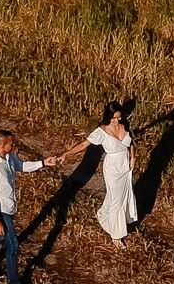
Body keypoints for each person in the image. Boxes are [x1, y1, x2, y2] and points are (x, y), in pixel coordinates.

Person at [0, 129, 60, 284]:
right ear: (2, 145)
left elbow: (22, 166)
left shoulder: (9, 157)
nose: (13, 145)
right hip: (1, 211)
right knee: (13, 245)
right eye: (11, 143)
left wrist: (43, 163)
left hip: (9, 208)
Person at [56, 102, 138, 244]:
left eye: (119, 117)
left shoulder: (125, 125)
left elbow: (130, 142)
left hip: (125, 165)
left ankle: (106, 216)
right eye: (114, 118)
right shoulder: (101, 131)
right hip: (113, 168)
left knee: (122, 196)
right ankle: (116, 236)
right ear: (108, 117)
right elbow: (83, 144)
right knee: (116, 199)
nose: (117, 121)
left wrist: (133, 157)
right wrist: (66, 154)